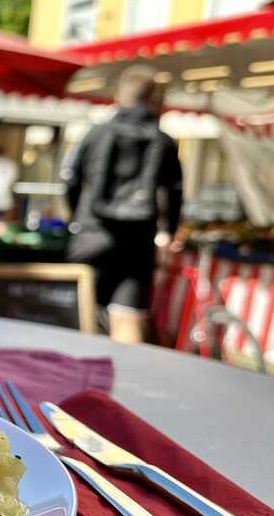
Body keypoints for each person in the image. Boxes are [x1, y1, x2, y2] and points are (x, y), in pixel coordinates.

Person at [62, 64, 183, 344]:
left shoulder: (96, 133)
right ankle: (122, 372)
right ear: (154, 98)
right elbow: (175, 191)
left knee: (77, 313)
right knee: (128, 317)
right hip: (138, 238)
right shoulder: (163, 141)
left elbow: (70, 179)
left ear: (119, 95)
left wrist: (77, 215)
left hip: (91, 231)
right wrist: (168, 231)